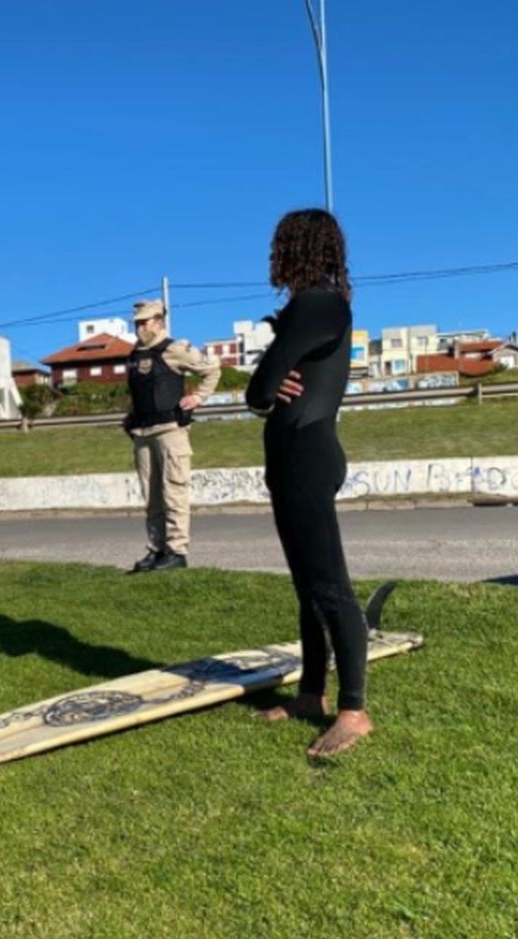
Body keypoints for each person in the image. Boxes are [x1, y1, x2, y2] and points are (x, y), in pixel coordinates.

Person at [245, 208, 372, 757]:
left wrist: (273, 376)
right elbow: (272, 383)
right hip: (299, 456)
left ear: (294, 250)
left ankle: (354, 710)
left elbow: (259, 390)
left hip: (306, 457)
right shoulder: (324, 306)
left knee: (330, 589)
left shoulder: (314, 304)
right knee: (307, 589)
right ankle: (311, 695)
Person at [123, 299, 221, 573]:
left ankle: (177, 551)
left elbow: (212, 370)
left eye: (145, 322)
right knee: (151, 496)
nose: (140, 327)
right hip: (142, 433)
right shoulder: (134, 355)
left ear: (159, 321)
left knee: (174, 492)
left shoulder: (175, 349)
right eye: (137, 323)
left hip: (170, 431)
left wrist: (199, 397)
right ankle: (157, 549)